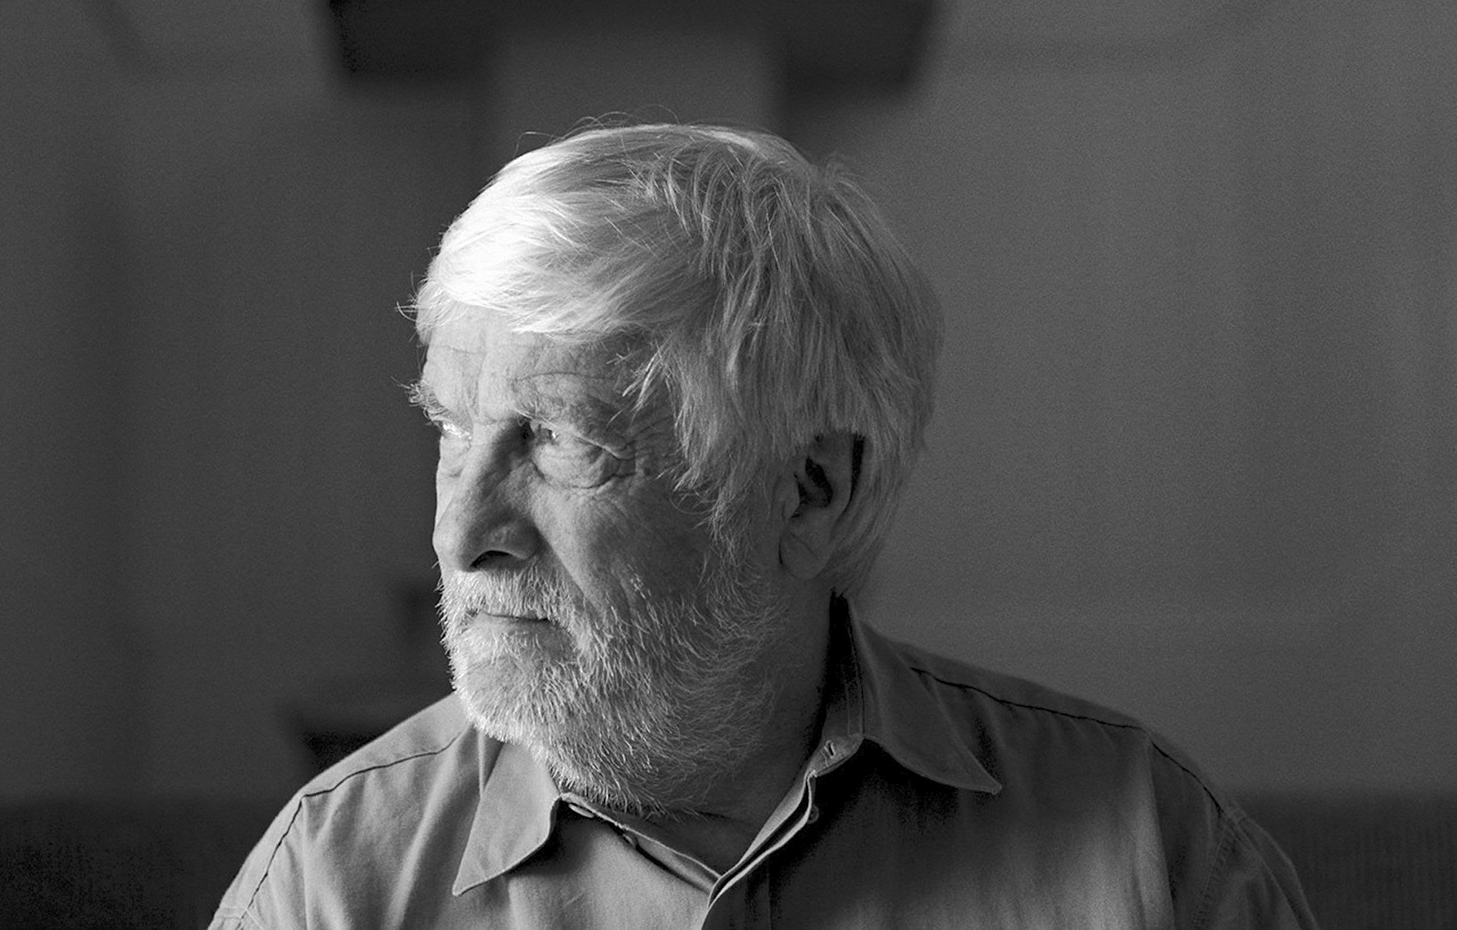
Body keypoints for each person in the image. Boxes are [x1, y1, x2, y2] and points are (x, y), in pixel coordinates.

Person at [211, 122, 1319, 928]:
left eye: (562, 441)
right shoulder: (334, 880)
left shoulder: (1145, 850)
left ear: (810, 491)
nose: (462, 533)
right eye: (455, 428)